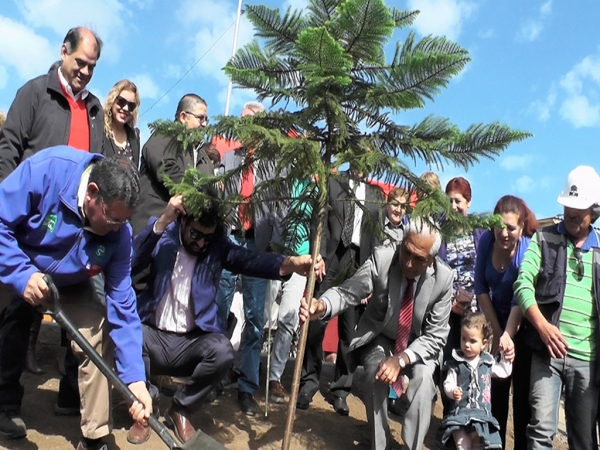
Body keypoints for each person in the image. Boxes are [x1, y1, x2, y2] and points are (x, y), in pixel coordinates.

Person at [126, 189, 323, 444]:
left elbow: (251, 261)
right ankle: (144, 408)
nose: (200, 243)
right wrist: (162, 221)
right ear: (183, 220)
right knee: (129, 334)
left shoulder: (216, 247)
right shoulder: (163, 234)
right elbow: (130, 262)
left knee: (222, 352)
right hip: (153, 337)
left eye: (207, 238)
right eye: (195, 234)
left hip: (190, 343)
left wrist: (291, 263)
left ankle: (182, 409)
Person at [0, 146, 152, 450]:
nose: (117, 229)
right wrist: (21, 274)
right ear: (91, 193)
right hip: (15, 260)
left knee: (97, 328)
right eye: (111, 218)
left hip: (70, 283)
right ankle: (5, 404)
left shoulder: (118, 235)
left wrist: (135, 378)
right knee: (9, 319)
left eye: (124, 221)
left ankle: (95, 436)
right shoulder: (48, 170)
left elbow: (122, 304)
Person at [300, 218, 453, 450]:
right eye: (407, 252)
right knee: (375, 372)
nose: (409, 264)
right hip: (381, 336)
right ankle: (380, 445)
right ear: (402, 242)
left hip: (420, 345)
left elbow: (436, 336)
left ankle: (411, 446)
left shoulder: (444, 279)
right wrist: (322, 306)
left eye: (419, 259)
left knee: (423, 381)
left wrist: (401, 359)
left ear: (431, 260)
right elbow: (351, 290)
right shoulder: (383, 258)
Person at [515, 165, 600, 450]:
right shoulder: (543, 238)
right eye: (568, 208)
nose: (571, 215)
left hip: (588, 359)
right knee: (540, 432)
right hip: (546, 355)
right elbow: (523, 284)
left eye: (579, 210)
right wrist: (542, 326)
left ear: (595, 210)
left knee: (584, 439)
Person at [297, 167, 384, 416]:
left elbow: (376, 237)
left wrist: (372, 277)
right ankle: (308, 383)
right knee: (316, 323)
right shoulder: (334, 182)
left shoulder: (377, 195)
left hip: (359, 262)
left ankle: (340, 390)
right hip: (331, 258)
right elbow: (321, 221)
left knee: (349, 330)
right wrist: (319, 256)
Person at [215, 101, 279, 415]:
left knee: (256, 320)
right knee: (219, 308)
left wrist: (276, 247)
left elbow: (280, 209)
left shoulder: (274, 165)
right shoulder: (229, 160)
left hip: (258, 244)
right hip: (230, 239)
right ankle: (213, 375)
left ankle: (247, 387)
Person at [474, 195, 538, 449]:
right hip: (495, 320)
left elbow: (519, 299)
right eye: (499, 225)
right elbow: (481, 289)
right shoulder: (486, 241)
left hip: (522, 322)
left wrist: (509, 336)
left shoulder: (528, 249)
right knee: (495, 393)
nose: (504, 232)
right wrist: (498, 334)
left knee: (521, 398)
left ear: (521, 228)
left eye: (511, 228)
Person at [0, 27, 104, 179]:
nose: (85, 72)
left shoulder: (95, 110)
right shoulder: (35, 92)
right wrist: (6, 198)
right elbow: (9, 148)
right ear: (64, 52)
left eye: (91, 66)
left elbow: (99, 166)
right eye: (81, 63)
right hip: (31, 201)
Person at [131, 93, 214, 236]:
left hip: (182, 235)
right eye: (200, 118)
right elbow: (167, 169)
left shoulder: (202, 156)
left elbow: (210, 187)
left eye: (206, 119)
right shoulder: (164, 135)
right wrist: (196, 198)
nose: (205, 124)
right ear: (183, 117)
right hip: (152, 225)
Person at [438, 312, 512, 450]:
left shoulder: (487, 364)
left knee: (479, 446)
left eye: (472, 341)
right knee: (462, 446)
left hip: (481, 417)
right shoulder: (456, 363)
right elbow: (448, 382)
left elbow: (504, 371)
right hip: (460, 414)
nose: (466, 344)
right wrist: (452, 391)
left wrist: (506, 355)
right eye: (463, 338)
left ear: (484, 344)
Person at [102, 80, 141, 167]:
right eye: (121, 102)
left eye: (131, 106)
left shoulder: (134, 135)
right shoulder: (99, 129)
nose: (126, 108)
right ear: (112, 101)